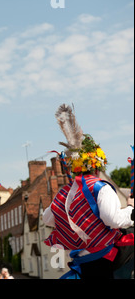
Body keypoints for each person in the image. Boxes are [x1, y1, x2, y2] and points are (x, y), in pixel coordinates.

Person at [43, 104, 134, 279]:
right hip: (103, 257)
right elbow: (112, 219)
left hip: (82, 257)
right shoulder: (101, 188)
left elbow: (47, 219)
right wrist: (131, 210)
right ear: (97, 167)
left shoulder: (64, 192)